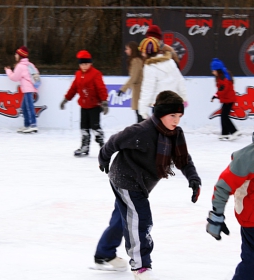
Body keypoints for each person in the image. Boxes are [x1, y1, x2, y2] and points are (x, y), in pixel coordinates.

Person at [95, 90, 201, 280]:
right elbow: (114, 142)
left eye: (179, 116)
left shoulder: (175, 134)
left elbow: (183, 159)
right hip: (125, 178)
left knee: (125, 216)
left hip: (142, 182)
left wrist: (193, 179)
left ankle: (104, 253)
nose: (176, 120)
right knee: (140, 220)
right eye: (172, 115)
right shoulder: (141, 131)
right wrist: (103, 158)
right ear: (160, 114)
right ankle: (141, 266)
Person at [206, 133, 254, 280]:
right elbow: (223, 186)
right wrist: (217, 216)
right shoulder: (247, 158)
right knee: (251, 265)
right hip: (252, 221)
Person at [60, 50, 108, 156]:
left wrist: (104, 102)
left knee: (95, 127)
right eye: (82, 64)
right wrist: (66, 99)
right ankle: (85, 147)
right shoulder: (78, 74)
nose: (84, 66)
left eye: (86, 63)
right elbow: (73, 89)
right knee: (84, 127)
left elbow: (101, 88)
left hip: (95, 105)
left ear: (90, 63)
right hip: (84, 106)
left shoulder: (95, 74)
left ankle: (103, 147)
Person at [138, 37, 187, 120]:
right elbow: (180, 81)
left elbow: (148, 89)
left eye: (143, 52)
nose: (142, 54)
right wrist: (184, 98)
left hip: (160, 107)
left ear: (148, 52)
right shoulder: (170, 62)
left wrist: (142, 110)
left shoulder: (150, 66)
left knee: (159, 131)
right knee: (169, 131)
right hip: (173, 105)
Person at [4, 46, 38, 133]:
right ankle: (27, 125)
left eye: (16, 54)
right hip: (30, 88)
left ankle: (33, 125)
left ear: (20, 56)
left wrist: (8, 71)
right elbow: (36, 74)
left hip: (27, 89)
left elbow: (14, 78)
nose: (15, 55)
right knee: (24, 107)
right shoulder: (30, 64)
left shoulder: (20, 66)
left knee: (29, 107)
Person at [210, 58, 240, 141]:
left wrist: (217, 94)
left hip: (229, 100)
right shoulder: (221, 77)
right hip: (227, 99)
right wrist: (215, 95)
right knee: (223, 116)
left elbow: (224, 89)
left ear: (217, 70)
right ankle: (225, 133)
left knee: (224, 116)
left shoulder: (224, 77)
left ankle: (234, 131)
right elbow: (221, 90)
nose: (212, 72)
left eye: (213, 70)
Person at [117, 41, 144, 123]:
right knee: (140, 114)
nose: (126, 51)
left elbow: (134, 78)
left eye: (127, 49)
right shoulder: (136, 60)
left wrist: (123, 89)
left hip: (138, 90)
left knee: (140, 114)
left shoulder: (136, 61)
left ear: (132, 50)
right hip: (138, 90)